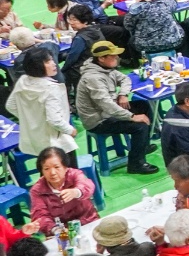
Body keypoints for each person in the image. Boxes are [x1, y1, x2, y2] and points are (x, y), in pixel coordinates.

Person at [76, 40, 157, 174]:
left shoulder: (105, 68)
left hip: (108, 111)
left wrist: (123, 94)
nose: (117, 58)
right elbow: (107, 105)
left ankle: (142, 146)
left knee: (143, 105)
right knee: (140, 126)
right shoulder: (93, 78)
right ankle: (136, 164)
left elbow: (125, 79)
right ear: (101, 58)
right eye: (113, 56)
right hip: (98, 120)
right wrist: (131, 116)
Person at [6, 48, 76, 161]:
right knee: (66, 175)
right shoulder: (51, 88)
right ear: (37, 66)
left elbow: (11, 105)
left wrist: (31, 119)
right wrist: (70, 130)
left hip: (34, 139)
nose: (54, 64)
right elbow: (55, 120)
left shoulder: (23, 80)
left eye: (52, 60)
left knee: (46, 171)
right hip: (56, 142)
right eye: (48, 62)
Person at [26, 146, 96, 235]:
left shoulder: (74, 175)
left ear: (65, 167)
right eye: (46, 169)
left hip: (88, 222)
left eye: (57, 167)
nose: (52, 172)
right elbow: (40, 216)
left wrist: (76, 192)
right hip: (59, 232)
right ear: (42, 171)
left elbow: (87, 186)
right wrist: (56, 230)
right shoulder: (37, 190)